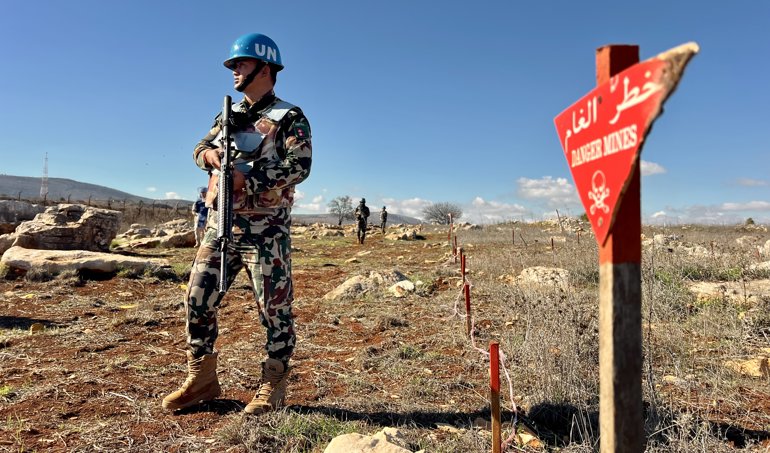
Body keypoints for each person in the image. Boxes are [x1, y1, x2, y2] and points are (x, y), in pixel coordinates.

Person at [162, 33, 312, 415]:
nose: (234, 71)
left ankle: (273, 383)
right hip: (221, 224)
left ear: (265, 68)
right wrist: (209, 156)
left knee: (274, 310)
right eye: (233, 65)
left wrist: (250, 179)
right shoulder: (228, 116)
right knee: (197, 299)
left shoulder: (289, 117)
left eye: (241, 64)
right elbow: (199, 147)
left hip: (266, 230)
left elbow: (300, 165)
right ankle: (201, 379)